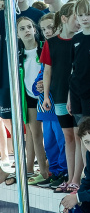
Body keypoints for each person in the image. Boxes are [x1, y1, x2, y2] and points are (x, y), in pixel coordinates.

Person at [0, 0, 45, 171]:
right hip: (10, 73)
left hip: (34, 77)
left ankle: (31, 164)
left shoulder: (38, 15)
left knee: (34, 125)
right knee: (12, 120)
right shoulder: (3, 15)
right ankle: (25, 163)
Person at [40, 0, 81, 193]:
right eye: (76, 17)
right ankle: (69, 177)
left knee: (79, 137)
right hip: (59, 96)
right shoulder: (51, 43)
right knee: (68, 137)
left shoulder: (82, 40)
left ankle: (77, 178)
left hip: (79, 97)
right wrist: (46, 96)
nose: (79, 21)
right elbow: (47, 71)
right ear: (64, 19)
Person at [16, 16, 49, 187]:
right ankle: (40, 170)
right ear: (17, 34)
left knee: (50, 134)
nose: (27, 30)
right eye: (22, 29)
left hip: (48, 95)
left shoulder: (44, 47)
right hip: (29, 96)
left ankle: (50, 169)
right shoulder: (17, 54)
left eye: (29, 27)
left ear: (35, 29)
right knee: (34, 133)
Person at [37, 12, 67, 189]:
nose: (47, 31)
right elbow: (41, 75)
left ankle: (64, 172)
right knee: (49, 143)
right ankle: (54, 172)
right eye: (43, 29)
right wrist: (38, 86)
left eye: (50, 27)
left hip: (59, 103)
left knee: (62, 140)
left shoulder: (64, 47)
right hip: (45, 105)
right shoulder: (46, 48)